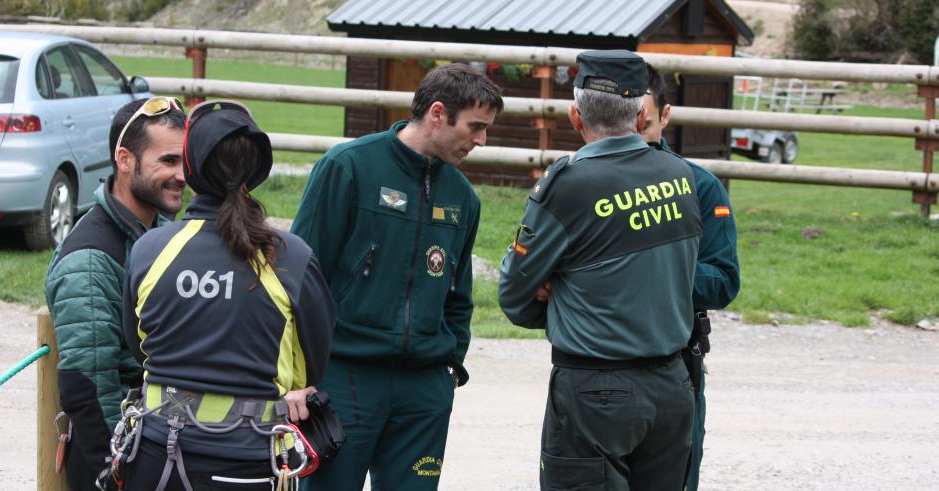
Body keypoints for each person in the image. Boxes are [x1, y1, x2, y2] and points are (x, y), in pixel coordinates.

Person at [291, 63, 503, 491]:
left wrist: (448, 369)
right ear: (438, 114)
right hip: (345, 377)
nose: (481, 141)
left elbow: (459, 298)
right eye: (476, 127)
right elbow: (298, 278)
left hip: (424, 389)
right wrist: (299, 376)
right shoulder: (347, 167)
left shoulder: (464, 197)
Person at [497, 50, 702, 491]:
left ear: (575, 116)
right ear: (643, 112)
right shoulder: (681, 176)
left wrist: (557, 303)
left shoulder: (568, 184)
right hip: (672, 385)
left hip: (596, 389)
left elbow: (514, 293)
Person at [119, 100, 335, 489]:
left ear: (189, 168)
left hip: (155, 453)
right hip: (247, 459)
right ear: (256, 172)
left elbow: (140, 346)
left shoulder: (150, 249)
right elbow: (311, 367)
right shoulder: (291, 258)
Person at [44, 96, 185, 490]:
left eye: (185, 162)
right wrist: (116, 471)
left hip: (153, 447)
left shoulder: (157, 231)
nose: (182, 175)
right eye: (168, 161)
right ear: (125, 160)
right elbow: (87, 386)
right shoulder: (89, 259)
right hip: (115, 464)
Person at [642, 63, 740, 491]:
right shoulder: (574, 181)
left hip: (674, 365)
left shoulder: (700, 187)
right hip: (591, 369)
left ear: (665, 116)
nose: (632, 127)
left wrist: (652, 269)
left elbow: (723, 280)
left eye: (642, 117)